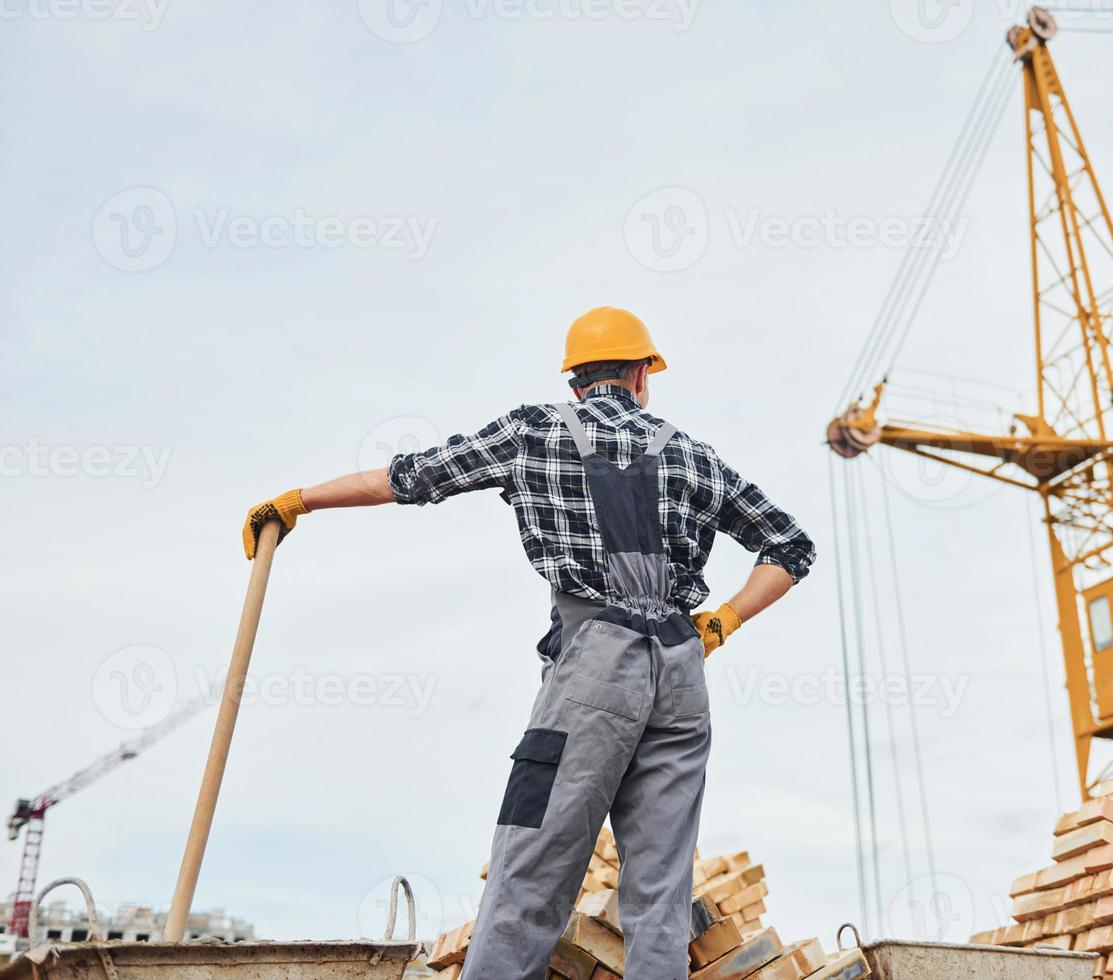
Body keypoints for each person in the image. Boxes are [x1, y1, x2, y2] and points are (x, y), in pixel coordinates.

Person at [241, 306, 815, 978]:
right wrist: (724, 620)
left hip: (595, 665)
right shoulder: (692, 454)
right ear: (641, 375)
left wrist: (298, 502)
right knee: (659, 895)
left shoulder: (533, 431)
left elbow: (412, 478)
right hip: (681, 671)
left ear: (575, 382)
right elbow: (789, 546)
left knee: (530, 865)